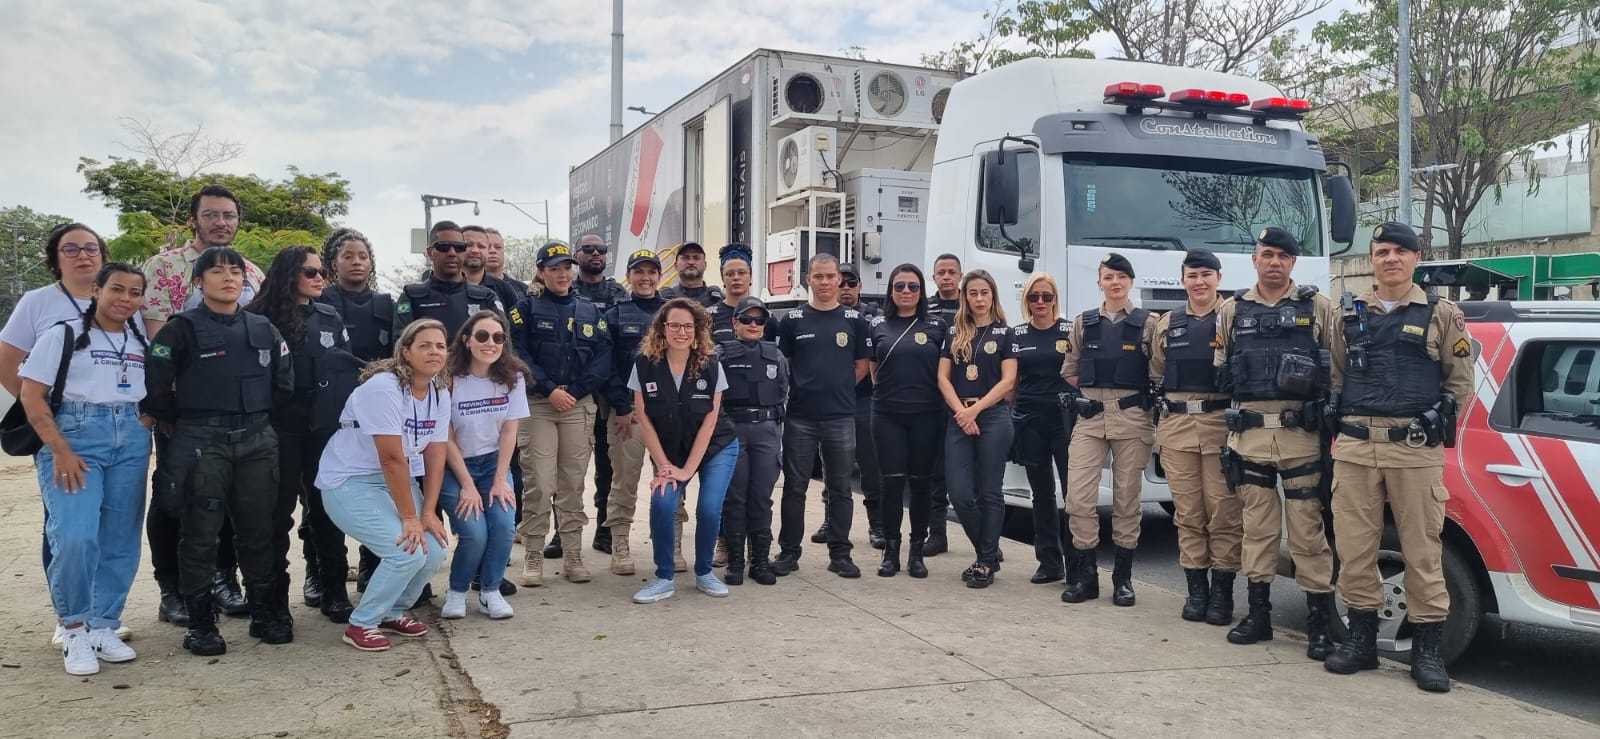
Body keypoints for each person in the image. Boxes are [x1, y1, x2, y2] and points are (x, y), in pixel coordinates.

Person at [1324, 223, 1473, 693]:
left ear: (1416, 257)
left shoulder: (1442, 313)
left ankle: (1427, 652)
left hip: (1413, 448)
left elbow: (1460, 384)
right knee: (1354, 548)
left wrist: (1439, 418)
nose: (1390, 258)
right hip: (1354, 446)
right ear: (1372, 259)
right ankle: (1361, 641)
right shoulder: (1346, 314)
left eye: (1400, 251)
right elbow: (1335, 376)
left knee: (1422, 550)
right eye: (1382, 251)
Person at [142, 246, 295, 656]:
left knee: (260, 531)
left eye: (236, 271)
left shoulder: (265, 329)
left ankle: (266, 612)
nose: (229, 278)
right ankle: (201, 623)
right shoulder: (180, 329)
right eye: (217, 272)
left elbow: (284, 384)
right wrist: (187, 421)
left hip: (257, 441)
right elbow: (156, 387)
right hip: (201, 442)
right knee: (200, 536)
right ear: (198, 281)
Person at [0, 223, 136, 643]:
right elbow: (8, 361)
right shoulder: (39, 303)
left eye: (91, 248)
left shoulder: (126, 310)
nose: (83, 255)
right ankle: (69, 619)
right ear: (56, 257)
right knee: (67, 529)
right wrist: (43, 411)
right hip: (65, 427)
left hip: (122, 431)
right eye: (71, 248)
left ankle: (99, 619)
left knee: (113, 531)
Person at [139, 186, 265, 625]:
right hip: (184, 412)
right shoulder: (165, 266)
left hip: (238, 415)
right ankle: (171, 589)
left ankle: (222, 580)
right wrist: (168, 410)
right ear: (193, 219)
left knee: (228, 499)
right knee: (174, 498)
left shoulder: (250, 271)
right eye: (210, 215)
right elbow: (158, 342)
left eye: (228, 215)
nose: (220, 223)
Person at [1213, 227, 1339, 659]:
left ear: (1293, 262)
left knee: (1307, 532)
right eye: (1267, 254)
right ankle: (1259, 615)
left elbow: (1336, 370)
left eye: (1283, 256)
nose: (1274, 262)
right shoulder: (1231, 310)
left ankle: (1319, 625)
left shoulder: (1318, 306)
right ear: (1254, 259)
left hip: (1301, 437)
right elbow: (1223, 370)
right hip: (1248, 438)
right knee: (1258, 530)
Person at [20, 263, 151, 675]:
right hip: (76, 438)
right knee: (75, 535)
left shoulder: (138, 337)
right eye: (117, 289)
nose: (125, 299)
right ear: (96, 289)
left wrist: (143, 421)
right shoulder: (63, 334)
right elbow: (32, 395)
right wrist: (59, 449)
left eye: (134, 292)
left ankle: (103, 624)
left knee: (120, 538)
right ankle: (73, 627)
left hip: (130, 438)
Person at [315, 320, 451, 652]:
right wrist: (410, 517)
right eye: (424, 345)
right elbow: (391, 458)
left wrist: (429, 513)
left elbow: (436, 453)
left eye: (441, 346)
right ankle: (361, 623)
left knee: (434, 551)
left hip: (395, 481)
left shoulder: (438, 391)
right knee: (405, 551)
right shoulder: (384, 387)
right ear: (405, 352)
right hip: (350, 481)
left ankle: (391, 611)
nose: (434, 351)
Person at [245, 246, 356, 623]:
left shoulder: (329, 315)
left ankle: (334, 590)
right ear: (288, 273)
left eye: (321, 270)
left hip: (323, 425)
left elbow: (345, 368)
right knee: (275, 515)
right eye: (310, 272)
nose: (319, 277)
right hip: (279, 426)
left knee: (326, 511)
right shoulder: (259, 317)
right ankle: (271, 602)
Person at [510, 242, 612, 586]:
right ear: (541, 271)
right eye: (554, 268)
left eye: (566, 267)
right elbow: (518, 353)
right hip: (539, 403)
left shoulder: (588, 310)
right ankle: (534, 555)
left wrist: (576, 391)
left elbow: (603, 357)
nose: (562, 274)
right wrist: (549, 388)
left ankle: (572, 555)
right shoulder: (524, 308)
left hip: (576, 403)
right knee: (539, 481)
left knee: (571, 483)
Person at [627, 298, 741, 603]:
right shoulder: (643, 364)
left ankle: (704, 572)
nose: (681, 331)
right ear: (662, 329)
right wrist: (665, 466)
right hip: (671, 450)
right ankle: (664, 577)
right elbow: (645, 420)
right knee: (663, 502)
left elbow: (710, 422)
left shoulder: (712, 364)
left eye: (688, 326)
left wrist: (688, 471)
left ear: (697, 330)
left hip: (717, 445)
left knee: (708, 506)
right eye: (674, 325)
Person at [1149, 250, 1241, 624]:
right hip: (1177, 428)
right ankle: (1196, 590)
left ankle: (1222, 594)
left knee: (1223, 513)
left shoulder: (1233, 317)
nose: (1199, 282)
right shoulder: (1167, 323)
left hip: (1221, 424)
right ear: (1183, 280)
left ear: (1218, 277)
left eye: (1206, 274)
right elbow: (1157, 371)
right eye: (1192, 275)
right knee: (1188, 514)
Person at [1060, 254, 1156, 607]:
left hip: (1132, 419)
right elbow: (1071, 369)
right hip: (1091, 419)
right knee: (1079, 500)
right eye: (1108, 277)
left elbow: (1158, 372)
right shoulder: (1083, 323)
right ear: (1099, 282)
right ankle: (1086, 578)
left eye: (1121, 277)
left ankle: (1123, 579)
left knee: (1127, 501)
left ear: (1130, 281)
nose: (1115, 282)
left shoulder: (1149, 324)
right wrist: (1092, 395)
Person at [773, 254, 871, 578]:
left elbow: (861, 366)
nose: (826, 282)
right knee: (795, 487)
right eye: (819, 276)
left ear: (839, 281)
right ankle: (789, 553)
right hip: (800, 417)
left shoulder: (855, 320)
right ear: (808, 279)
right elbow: (784, 364)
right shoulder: (792, 320)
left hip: (840, 417)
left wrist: (839, 387)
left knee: (841, 488)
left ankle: (840, 554)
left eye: (831, 277)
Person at [438, 311, 530, 621]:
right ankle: (457, 592)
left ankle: (490, 592)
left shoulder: (513, 378)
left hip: (494, 462)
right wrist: (466, 484)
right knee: (474, 533)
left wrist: (500, 478)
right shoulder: (448, 378)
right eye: (482, 336)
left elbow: (509, 430)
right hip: (455, 465)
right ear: (466, 340)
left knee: (504, 526)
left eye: (498, 337)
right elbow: (445, 436)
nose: (490, 343)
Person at [937, 269, 1016, 589]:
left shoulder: (1005, 333)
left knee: (990, 492)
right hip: (959, 416)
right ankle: (989, 548)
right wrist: (962, 412)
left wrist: (976, 410)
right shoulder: (954, 332)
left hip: (993, 416)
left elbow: (1008, 380)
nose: (979, 299)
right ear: (964, 298)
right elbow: (942, 377)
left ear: (992, 296)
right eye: (973, 293)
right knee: (959, 493)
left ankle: (984, 561)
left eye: (985, 293)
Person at [868, 264, 946, 578]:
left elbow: (945, 371)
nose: (906, 293)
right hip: (887, 413)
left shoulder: (937, 325)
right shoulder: (877, 324)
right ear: (891, 290)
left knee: (921, 484)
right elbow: (873, 369)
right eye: (899, 286)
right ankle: (891, 550)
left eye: (913, 287)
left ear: (921, 291)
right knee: (891, 483)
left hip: (927, 413)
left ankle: (916, 552)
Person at [601, 249, 670, 576]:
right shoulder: (615, 316)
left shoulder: (673, 312)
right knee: (625, 481)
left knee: (670, 480)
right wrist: (621, 405)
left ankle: (671, 543)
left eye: (651, 272)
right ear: (629, 276)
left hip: (668, 415)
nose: (645, 278)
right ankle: (620, 545)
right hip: (629, 414)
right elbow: (608, 367)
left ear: (659, 276)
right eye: (638, 272)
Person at [717, 296, 788, 585]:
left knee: (761, 497)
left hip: (766, 431)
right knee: (735, 498)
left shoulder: (776, 356)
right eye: (747, 319)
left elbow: (783, 390)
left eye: (760, 320)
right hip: (733, 430)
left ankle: (759, 560)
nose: (754, 325)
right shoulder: (718, 354)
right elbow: (713, 397)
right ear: (735, 323)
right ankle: (735, 561)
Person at [1007, 273, 1072, 585]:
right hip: (1030, 419)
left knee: (1075, 494)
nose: (1041, 303)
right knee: (1041, 494)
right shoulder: (1016, 334)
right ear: (1027, 301)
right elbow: (1010, 382)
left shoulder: (1071, 330)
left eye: (1047, 296)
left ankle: (1077, 563)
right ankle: (1049, 562)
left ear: (1055, 298)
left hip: (1064, 419)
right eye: (1034, 297)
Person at [570, 231, 628, 558]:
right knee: (570, 468)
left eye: (601, 249)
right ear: (576, 254)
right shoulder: (567, 290)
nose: (596, 254)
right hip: (575, 391)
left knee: (607, 465)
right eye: (588, 249)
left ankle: (604, 529)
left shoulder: (618, 293)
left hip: (608, 390)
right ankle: (564, 532)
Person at [837, 264, 886, 550]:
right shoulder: (825, 314)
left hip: (865, 398)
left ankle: (877, 524)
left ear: (859, 285)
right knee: (835, 466)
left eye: (850, 282)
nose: (845, 287)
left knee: (870, 465)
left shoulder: (875, 316)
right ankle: (832, 520)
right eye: (840, 282)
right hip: (833, 401)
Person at [396, 221, 504, 339]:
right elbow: (401, 344)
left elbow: (502, 342)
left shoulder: (486, 297)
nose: (452, 253)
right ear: (430, 252)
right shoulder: (412, 297)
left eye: (459, 247)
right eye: (444, 247)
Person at [924, 253, 964, 556]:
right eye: (941, 272)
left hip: (971, 399)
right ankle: (937, 535)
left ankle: (984, 536)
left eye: (952, 272)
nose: (947, 277)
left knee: (973, 475)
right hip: (934, 400)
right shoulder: (925, 309)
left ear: (960, 275)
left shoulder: (975, 303)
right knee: (935, 472)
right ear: (934, 277)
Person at [318, 228, 394, 362]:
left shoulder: (387, 305)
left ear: (370, 264)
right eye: (348, 257)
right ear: (334, 265)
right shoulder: (320, 300)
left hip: (377, 378)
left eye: (363, 257)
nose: (356, 262)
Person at [462, 225, 526, 315]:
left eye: (498, 247)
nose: (493, 251)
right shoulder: (447, 285)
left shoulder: (513, 290)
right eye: (469, 245)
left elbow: (516, 326)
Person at [708, 244, 757, 344]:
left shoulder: (764, 316)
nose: (736, 278)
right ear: (722, 278)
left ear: (751, 276)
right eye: (730, 274)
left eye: (742, 273)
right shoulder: (708, 316)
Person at [659, 242, 724, 307]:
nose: (691, 262)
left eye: (696, 258)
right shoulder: (664, 299)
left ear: (705, 265)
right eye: (685, 258)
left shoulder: (717, 299)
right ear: (676, 265)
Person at [484, 228, 529, 296]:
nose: (493, 251)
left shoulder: (523, 289)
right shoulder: (469, 287)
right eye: (487, 247)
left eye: (498, 247)